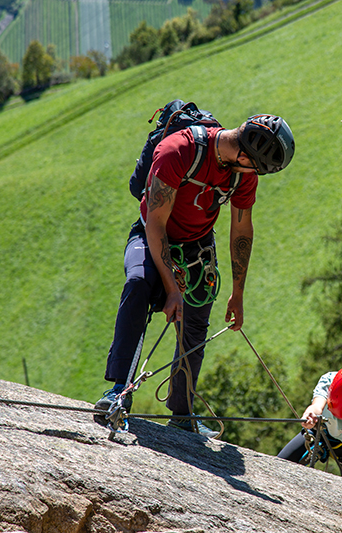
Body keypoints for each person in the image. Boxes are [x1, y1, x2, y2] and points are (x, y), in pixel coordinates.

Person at [95, 113, 295, 438]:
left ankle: (182, 414)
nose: (254, 175)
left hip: (197, 248)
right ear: (244, 155)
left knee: (195, 324)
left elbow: (241, 229)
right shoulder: (178, 151)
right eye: (254, 167)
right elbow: (156, 223)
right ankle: (118, 392)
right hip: (152, 237)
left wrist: (238, 292)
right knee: (138, 285)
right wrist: (171, 289)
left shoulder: (242, 175)